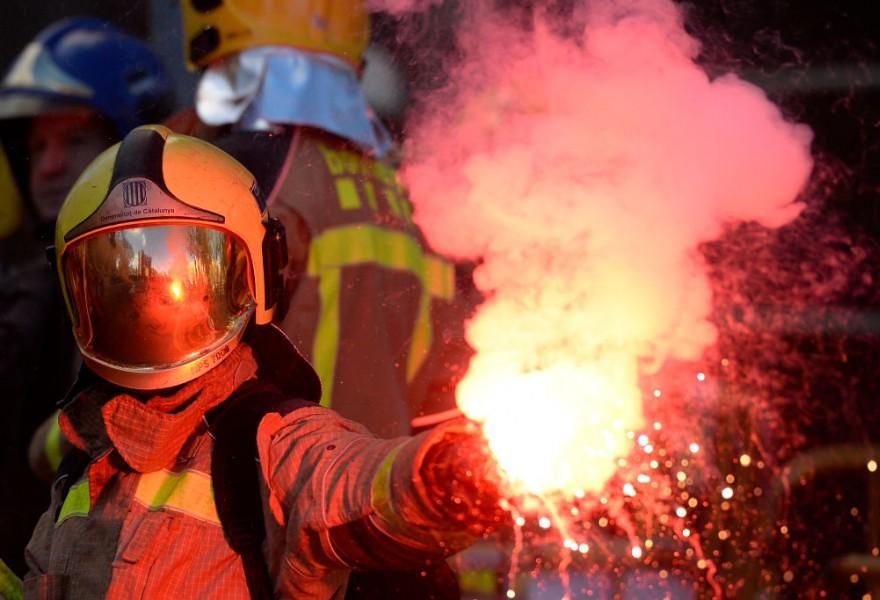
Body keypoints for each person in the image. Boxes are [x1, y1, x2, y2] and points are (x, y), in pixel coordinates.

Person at [14, 124, 503, 600]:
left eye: (181, 274)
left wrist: (446, 476)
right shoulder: (85, 455)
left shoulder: (269, 440)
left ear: (257, 273)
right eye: (121, 282)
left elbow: (351, 481)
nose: (151, 306)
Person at [176, 0, 473, 440]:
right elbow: (444, 398)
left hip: (266, 496)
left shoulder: (242, 171)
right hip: (383, 490)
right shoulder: (411, 188)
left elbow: (171, 368)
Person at [0, 17, 171, 577]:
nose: (47, 167)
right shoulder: (25, 287)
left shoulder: (171, 282)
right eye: (37, 145)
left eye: (73, 140)